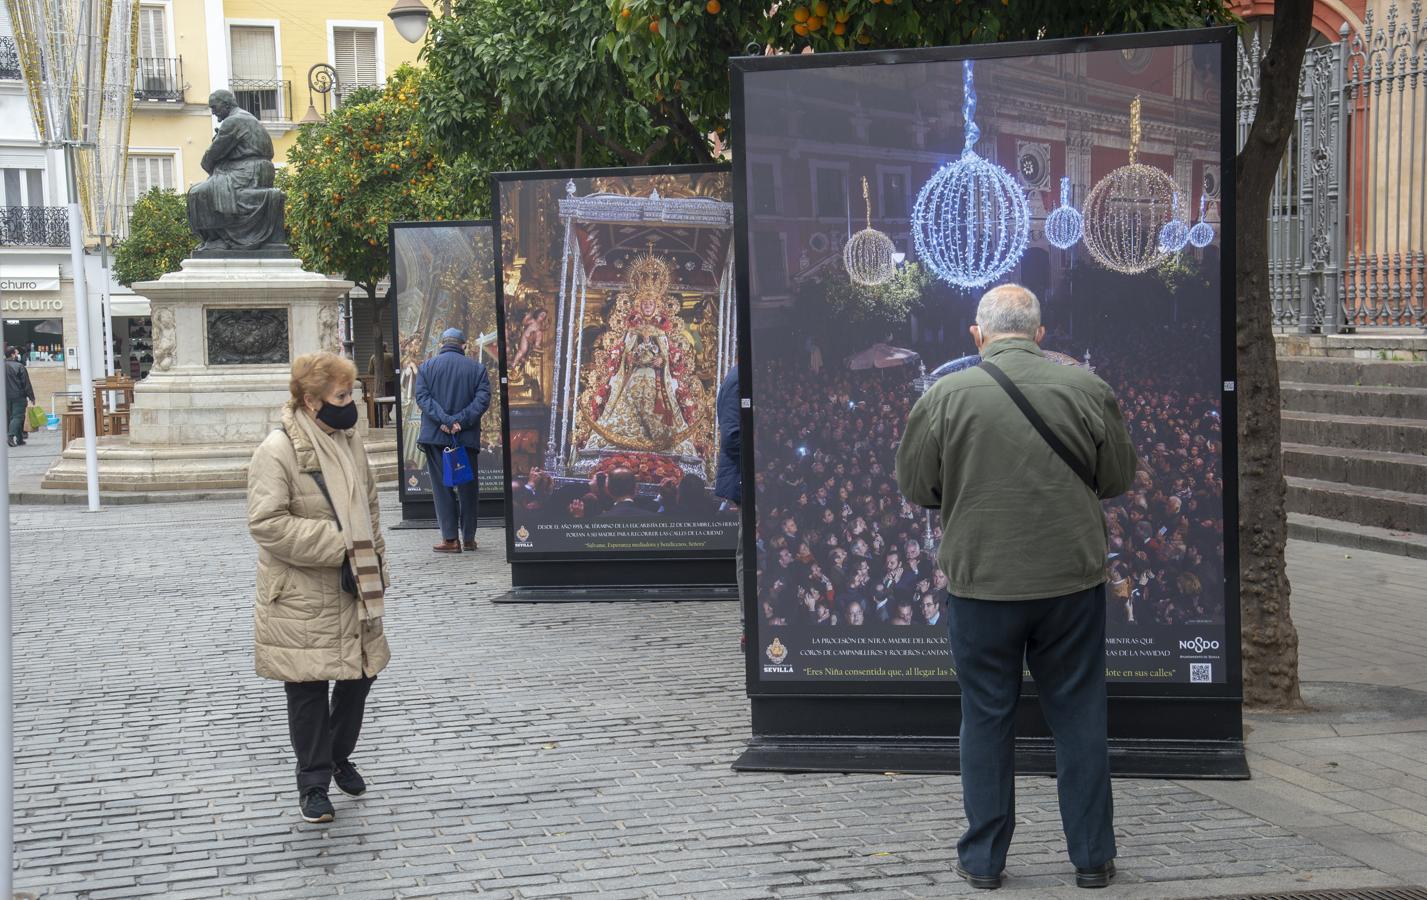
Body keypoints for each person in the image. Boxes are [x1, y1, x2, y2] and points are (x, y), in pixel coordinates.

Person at [896, 283, 1137, 891]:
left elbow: (917, 488)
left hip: (982, 584)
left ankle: (983, 861)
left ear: (977, 336)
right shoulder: (1086, 387)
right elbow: (1117, 478)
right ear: (1040, 334)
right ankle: (1091, 858)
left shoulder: (945, 394)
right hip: (1071, 583)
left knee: (985, 719)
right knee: (1080, 717)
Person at [246, 351, 390, 825]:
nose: (350, 405)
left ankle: (336, 754)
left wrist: (375, 560)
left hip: (355, 585)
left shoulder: (349, 441)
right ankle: (313, 783)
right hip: (302, 591)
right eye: (341, 396)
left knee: (359, 675)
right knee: (308, 686)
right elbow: (266, 523)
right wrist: (340, 545)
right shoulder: (277, 450)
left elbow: (369, 506)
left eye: (350, 394)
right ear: (311, 402)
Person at [414, 328, 491, 553]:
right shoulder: (477, 369)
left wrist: (444, 420)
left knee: (442, 487)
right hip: (464, 436)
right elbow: (482, 399)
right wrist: (460, 421)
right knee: (468, 486)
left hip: (437, 436)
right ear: (463, 345)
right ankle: (468, 538)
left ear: (441, 345)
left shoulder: (426, 367)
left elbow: (423, 398)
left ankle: (450, 539)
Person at [714, 364, 743, 603]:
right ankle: (748, 621)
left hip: (747, 477)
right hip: (745, 479)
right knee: (748, 550)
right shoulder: (737, 379)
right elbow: (732, 437)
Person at [6, 346, 35, 447]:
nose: (18, 354)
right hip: (18, 396)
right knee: (18, 417)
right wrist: (32, 397)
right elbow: (26, 383)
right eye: (16, 353)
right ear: (13, 354)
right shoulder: (19, 366)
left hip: (5, 397)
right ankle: (10, 437)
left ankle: (20, 439)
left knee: (13, 417)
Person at [367, 340, 397, 426]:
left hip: (378, 383)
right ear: (386, 347)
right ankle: (387, 414)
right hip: (390, 381)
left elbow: (370, 371)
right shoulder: (391, 356)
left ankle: (383, 415)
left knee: (380, 399)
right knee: (390, 399)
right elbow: (395, 368)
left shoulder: (373, 357)